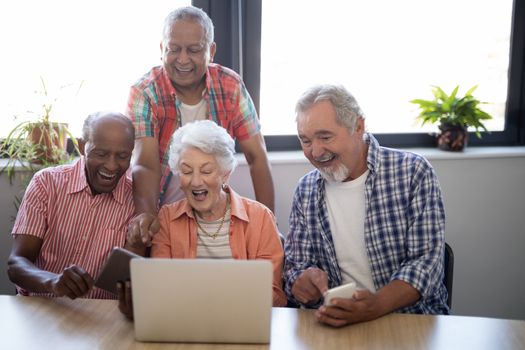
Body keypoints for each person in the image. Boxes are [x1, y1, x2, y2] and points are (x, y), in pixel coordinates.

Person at [284, 84, 449, 327]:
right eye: (305, 140)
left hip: (410, 320)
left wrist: (375, 305)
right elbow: (296, 269)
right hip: (336, 323)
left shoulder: (413, 172)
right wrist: (301, 282)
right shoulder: (306, 190)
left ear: (358, 126)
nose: (315, 152)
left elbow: (426, 264)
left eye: (325, 137)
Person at [126, 6, 274, 246]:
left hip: (212, 209)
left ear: (211, 51)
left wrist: (268, 224)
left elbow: (257, 157)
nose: (182, 59)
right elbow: (145, 164)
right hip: (163, 211)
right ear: (162, 48)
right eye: (174, 49)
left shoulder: (230, 85)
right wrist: (147, 217)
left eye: (194, 50)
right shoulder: (145, 92)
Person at [119, 120, 286, 319]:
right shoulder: (167, 218)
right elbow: (161, 287)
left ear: (226, 174)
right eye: (187, 171)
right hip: (184, 321)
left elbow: (273, 295)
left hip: (243, 320)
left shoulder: (261, 218)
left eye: (206, 171)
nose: (196, 181)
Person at [7, 112, 136, 299]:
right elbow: (17, 264)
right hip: (43, 308)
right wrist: (53, 282)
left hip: (100, 316)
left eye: (123, 156)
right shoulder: (47, 183)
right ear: (82, 145)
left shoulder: (135, 200)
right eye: (101, 153)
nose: (112, 165)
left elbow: (131, 284)